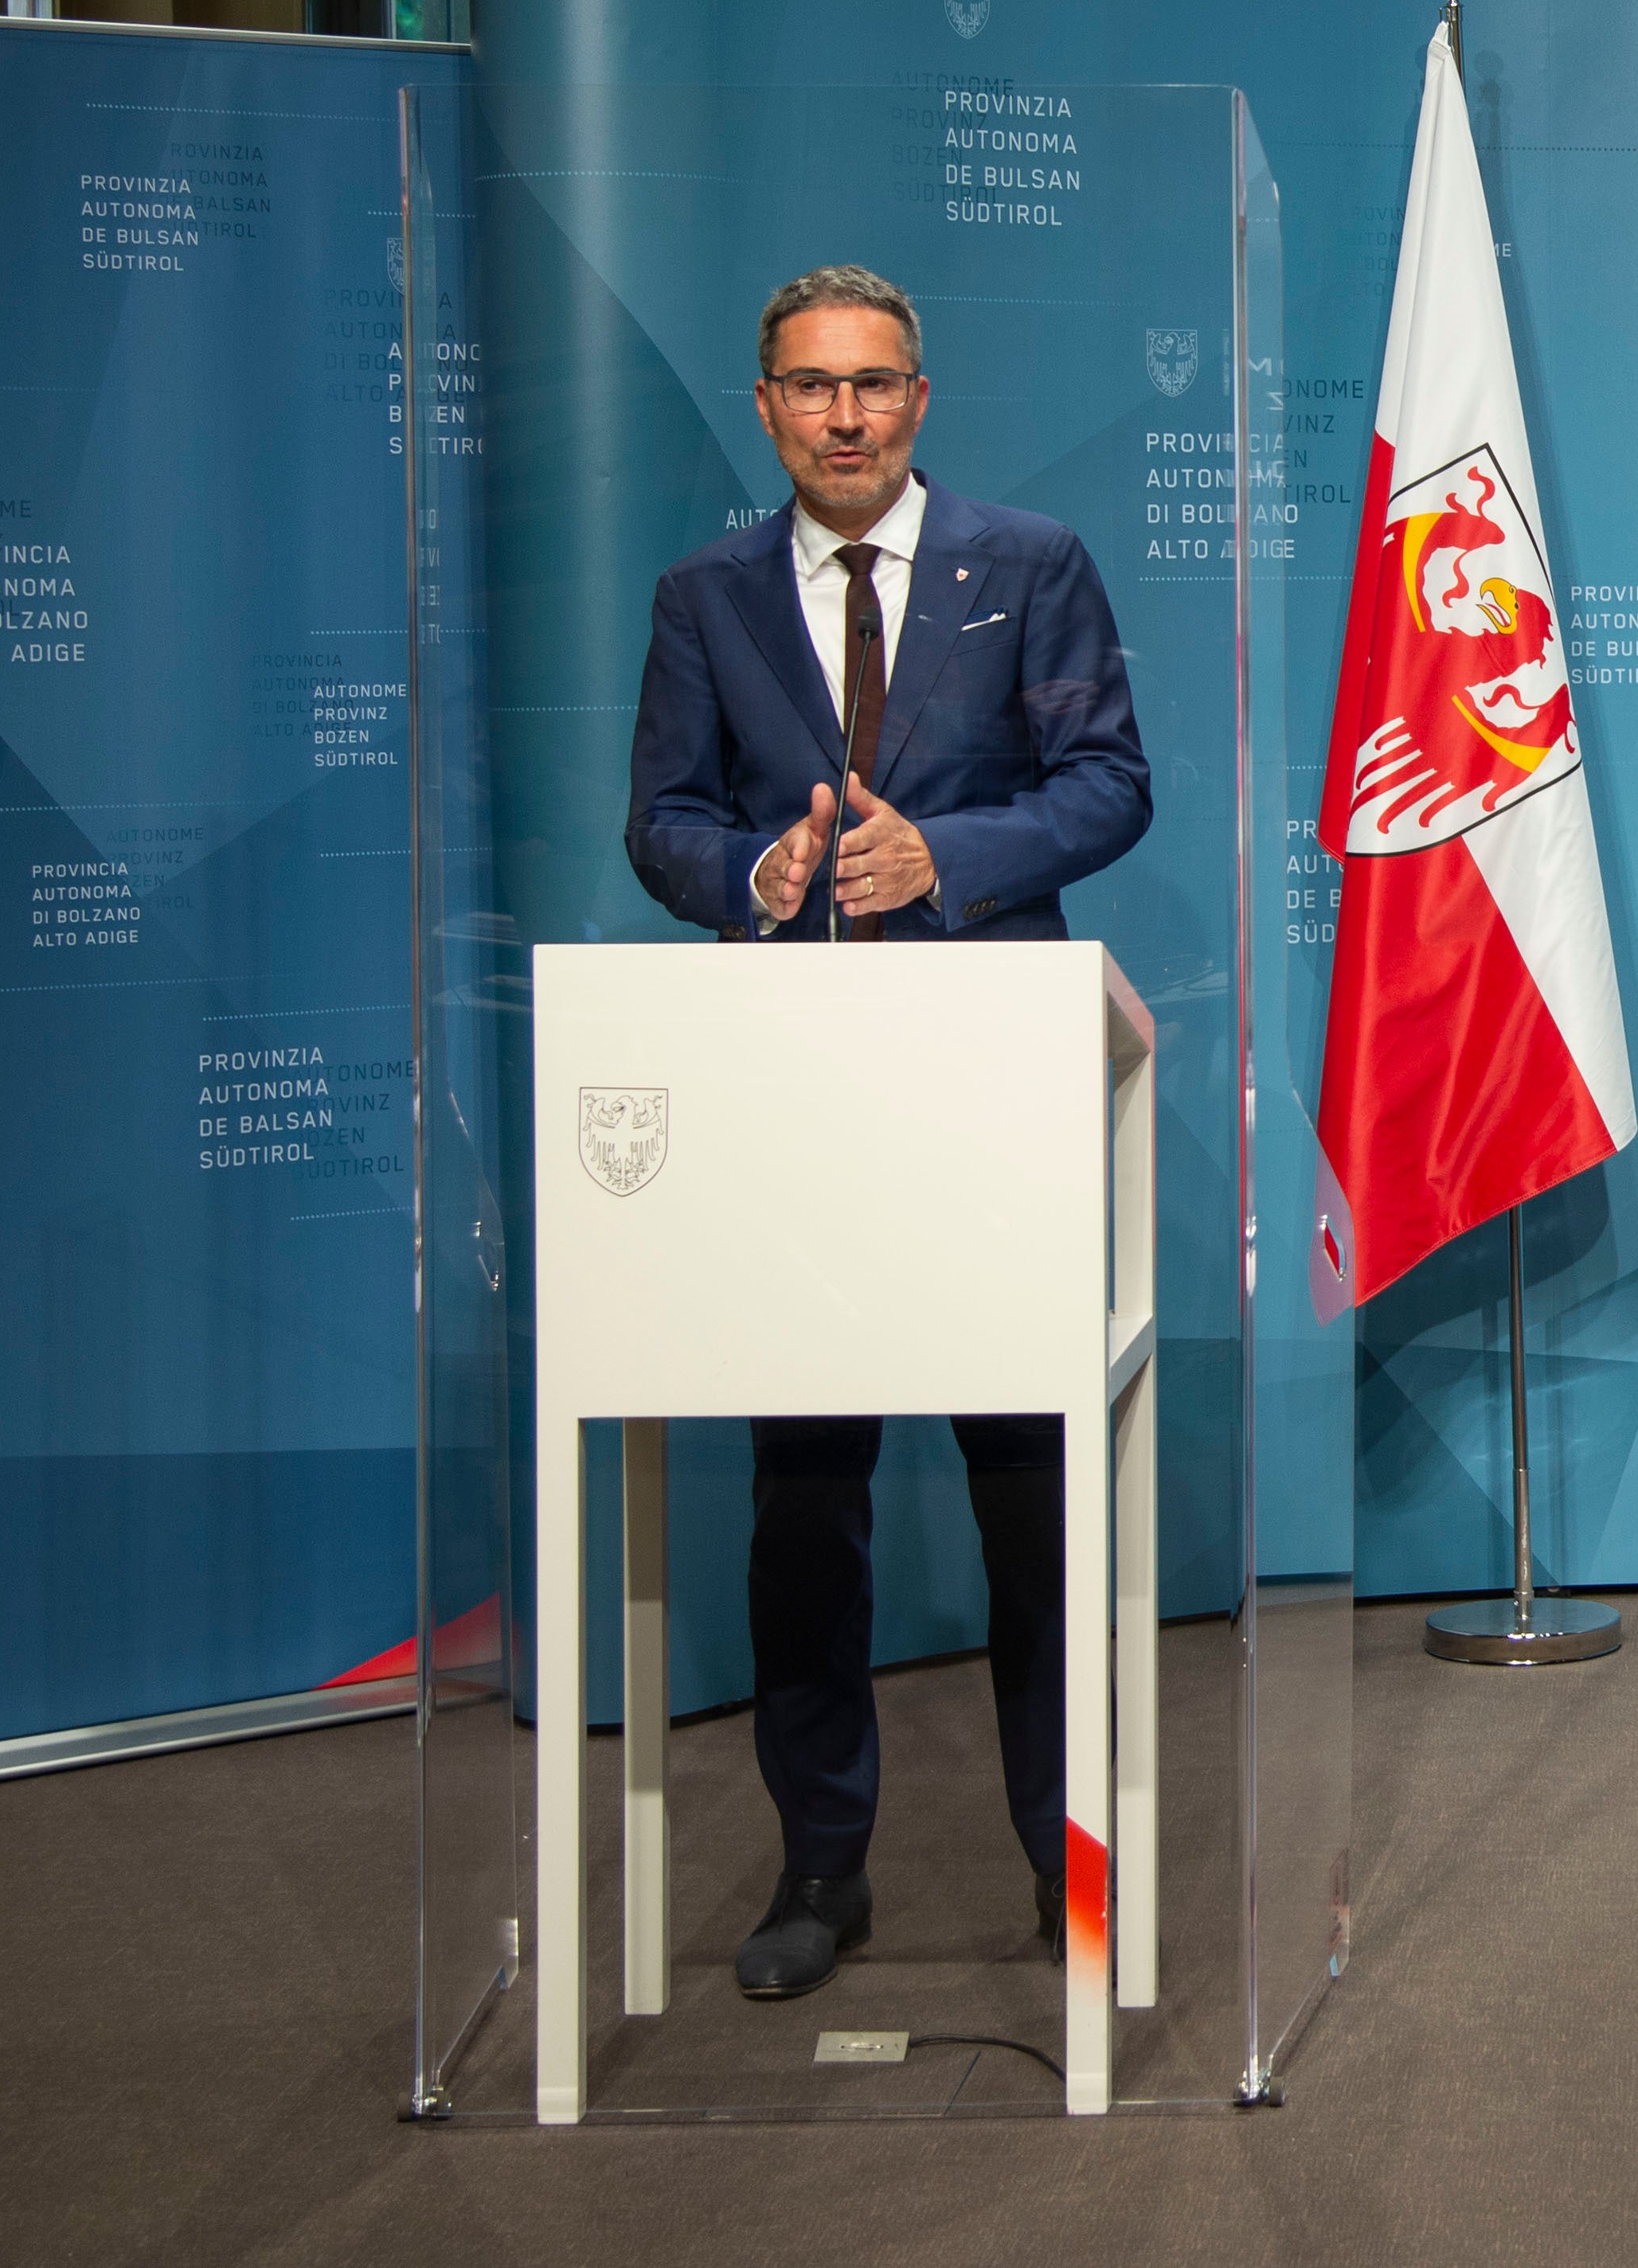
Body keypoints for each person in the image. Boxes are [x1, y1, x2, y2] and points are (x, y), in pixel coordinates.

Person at [624, 263, 1153, 2001]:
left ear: (920, 398)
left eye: (872, 384)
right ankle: (818, 1871)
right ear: (762, 404)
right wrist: (748, 874)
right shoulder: (703, 592)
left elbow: (1107, 784)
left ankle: (1062, 1874)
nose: (842, 415)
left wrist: (954, 856)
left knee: (1028, 1505)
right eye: (807, 386)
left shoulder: (1033, 566)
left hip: (986, 1093)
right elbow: (663, 819)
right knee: (806, 1503)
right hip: (795, 1107)